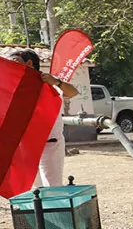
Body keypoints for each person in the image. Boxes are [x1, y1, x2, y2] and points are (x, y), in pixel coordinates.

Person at [8, 50, 80, 189]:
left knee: (52, 187)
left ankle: (55, 210)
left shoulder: (47, 83)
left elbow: (72, 92)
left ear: (29, 63)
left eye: (15, 62)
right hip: (26, 146)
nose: (10, 66)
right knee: (36, 188)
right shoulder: (14, 86)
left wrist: (56, 82)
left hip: (49, 144)